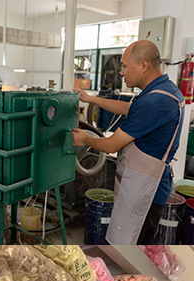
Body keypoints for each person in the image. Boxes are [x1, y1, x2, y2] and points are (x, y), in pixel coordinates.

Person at [72, 39, 185, 245]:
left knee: (133, 244)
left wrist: (85, 138)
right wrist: (92, 99)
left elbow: (111, 145)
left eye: (124, 66)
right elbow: (128, 108)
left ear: (143, 65)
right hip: (146, 182)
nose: (121, 72)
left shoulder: (154, 103)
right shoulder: (164, 90)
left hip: (147, 190)